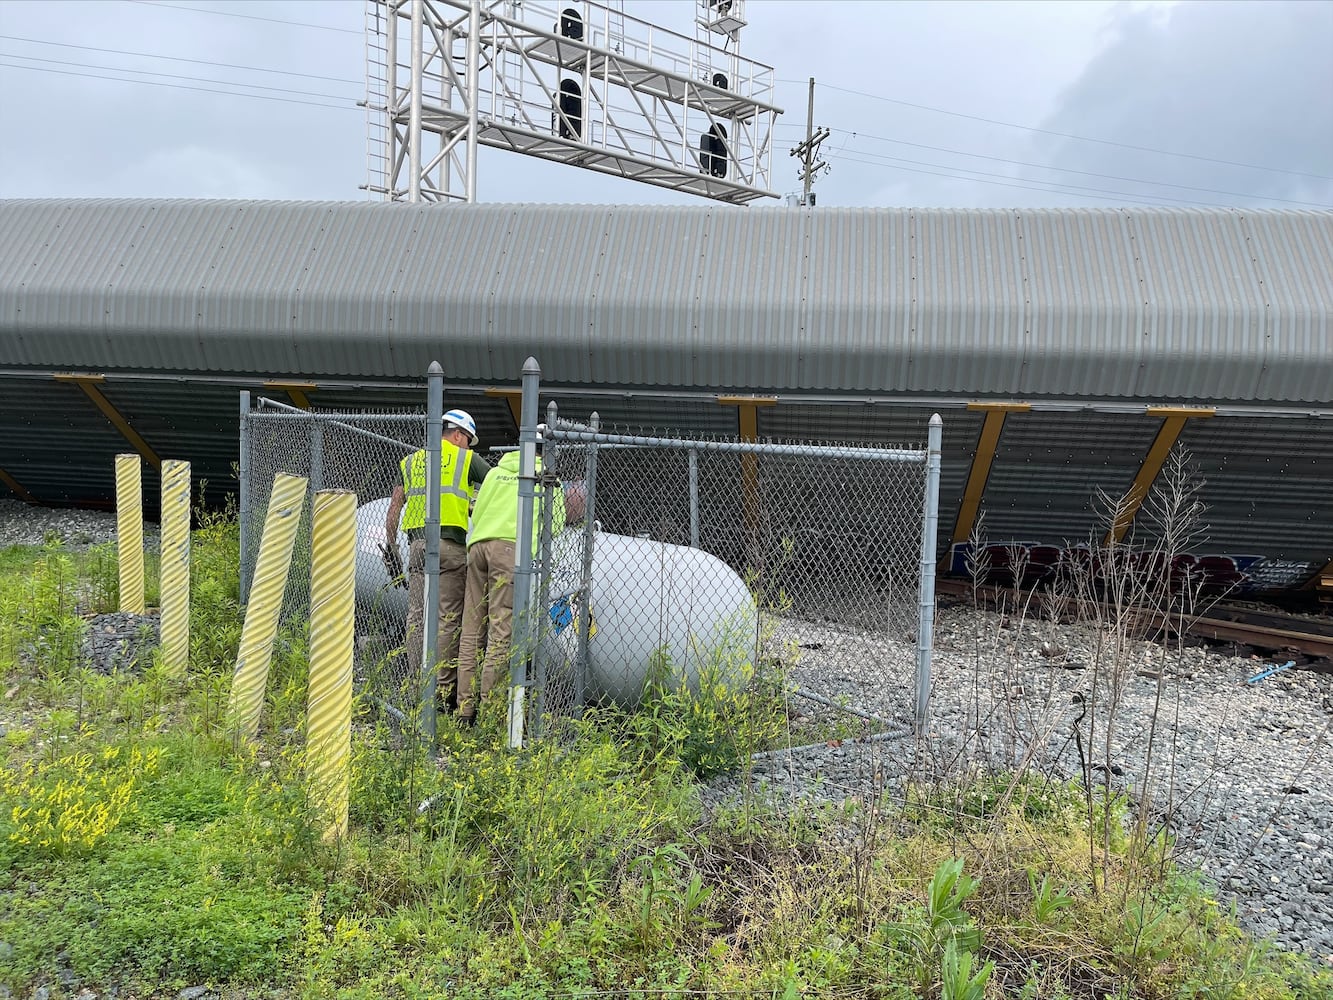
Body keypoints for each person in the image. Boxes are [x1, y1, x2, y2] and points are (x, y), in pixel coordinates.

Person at [455, 432, 566, 724]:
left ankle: (464, 710)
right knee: (501, 632)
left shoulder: (495, 473)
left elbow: (476, 513)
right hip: (509, 551)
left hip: (478, 547)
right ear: (549, 452)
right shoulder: (547, 477)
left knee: (471, 629)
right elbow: (553, 526)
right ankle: (491, 713)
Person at [383, 408, 490, 708]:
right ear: (457, 434)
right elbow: (497, 487)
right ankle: (442, 693)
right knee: (448, 619)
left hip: (417, 545)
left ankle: (416, 687)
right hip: (450, 547)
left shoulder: (411, 461)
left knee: (416, 617)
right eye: (468, 439)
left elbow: (393, 511)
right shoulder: (467, 460)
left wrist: (392, 549)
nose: (468, 445)